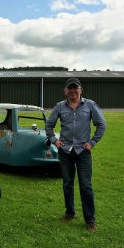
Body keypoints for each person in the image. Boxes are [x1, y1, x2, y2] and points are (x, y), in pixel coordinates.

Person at [45, 78, 106, 232]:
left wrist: (92, 143)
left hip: (83, 151)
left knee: (86, 186)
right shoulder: (60, 106)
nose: (72, 91)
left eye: (75, 88)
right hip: (65, 151)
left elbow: (101, 124)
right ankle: (70, 213)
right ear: (65, 91)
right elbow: (49, 125)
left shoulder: (90, 105)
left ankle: (90, 221)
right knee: (67, 184)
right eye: (69, 88)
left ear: (81, 90)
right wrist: (54, 140)